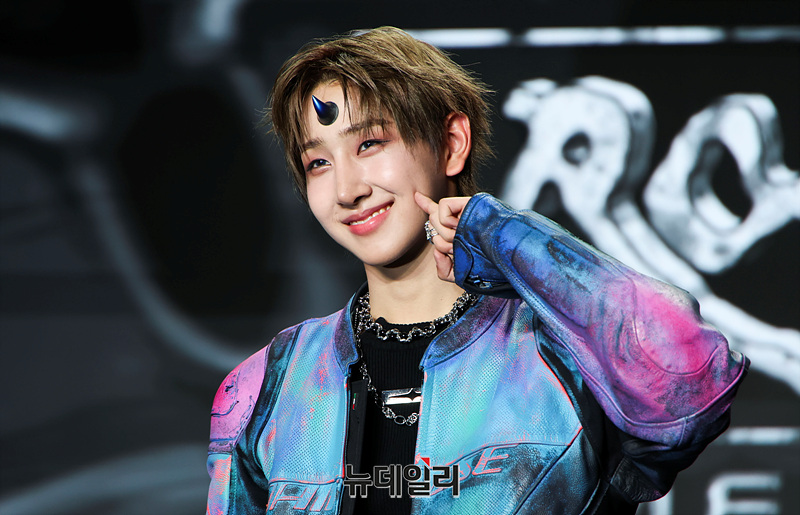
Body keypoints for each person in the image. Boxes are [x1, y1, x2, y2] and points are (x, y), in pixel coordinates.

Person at [205, 27, 747, 514]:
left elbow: (694, 380)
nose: (346, 189)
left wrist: (502, 232)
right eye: (318, 162)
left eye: (369, 143)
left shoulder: (566, 358)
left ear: (452, 143)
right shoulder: (267, 388)